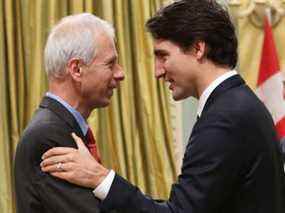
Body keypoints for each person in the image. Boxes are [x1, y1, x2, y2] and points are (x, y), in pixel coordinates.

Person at [41, 1, 285, 213]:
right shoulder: (237, 104)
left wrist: (100, 178)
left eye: (163, 56)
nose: (158, 71)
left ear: (198, 49)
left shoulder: (225, 117)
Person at [14, 13, 124, 213]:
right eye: (110, 64)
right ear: (76, 69)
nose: (120, 73)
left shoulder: (61, 127)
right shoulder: (47, 137)